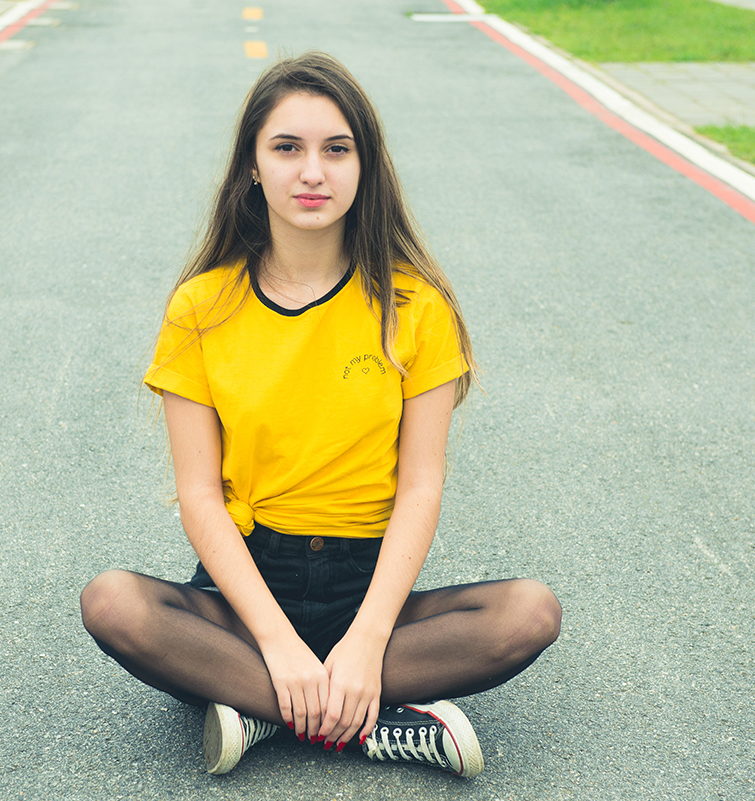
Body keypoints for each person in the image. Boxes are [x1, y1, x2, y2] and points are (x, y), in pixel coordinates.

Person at [80, 51, 561, 778]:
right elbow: (199, 496)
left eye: (337, 149)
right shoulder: (200, 307)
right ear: (252, 166)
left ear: (365, 166)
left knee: (529, 613)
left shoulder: (415, 306)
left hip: (365, 585)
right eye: (287, 148)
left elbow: (421, 487)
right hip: (245, 589)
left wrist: (367, 640)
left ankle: (258, 706)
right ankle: (372, 721)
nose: (313, 172)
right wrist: (276, 641)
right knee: (114, 603)